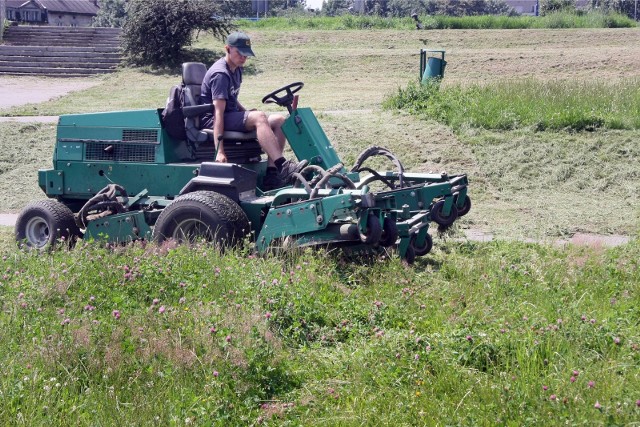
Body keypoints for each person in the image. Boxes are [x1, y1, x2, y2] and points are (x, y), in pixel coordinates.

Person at [199, 31, 307, 190]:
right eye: (239, 53)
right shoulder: (220, 74)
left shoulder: (236, 69)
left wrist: (246, 111)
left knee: (278, 120)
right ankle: (282, 165)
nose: (243, 58)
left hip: (229, 115)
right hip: (214, 119)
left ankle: (272, 174)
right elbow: (218, 113)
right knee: (259, 117)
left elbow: (232, 98)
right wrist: (219, 151)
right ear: (227, 49)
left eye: (246, 55)